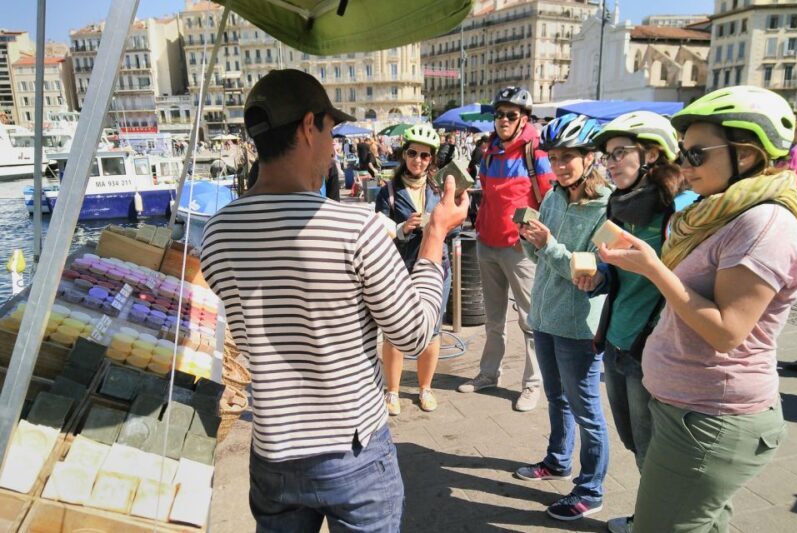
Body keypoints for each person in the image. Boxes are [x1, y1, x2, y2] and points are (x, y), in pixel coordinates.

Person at [200, 69, 468, 532]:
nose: (332, 145)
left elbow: (247, 332)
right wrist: (436, 235)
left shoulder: (217, 232)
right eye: (330, 129)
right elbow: (414, 333)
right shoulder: (354, 229)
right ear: (309, 126)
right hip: (353, 451)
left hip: (273, 455)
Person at [599, 85, 797, 532]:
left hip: (712, 414)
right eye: (683, 153)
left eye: (695, 155)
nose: (683, 165)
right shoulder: (720, 211)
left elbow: (728, 331)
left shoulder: (763, 222)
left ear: (745, 155)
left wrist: (654, 268)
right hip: (690, 404)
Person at [577, 111, 694, 533]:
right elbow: (617, 274)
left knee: (653, 449)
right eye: (606, 155)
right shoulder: (618, 204)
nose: (609, 163)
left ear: (652, 154)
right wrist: (596, 277)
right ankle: (652, 516)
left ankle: (656, 522)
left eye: (618, 153)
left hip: (654, 350)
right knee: (633, 442)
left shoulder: (681, 211)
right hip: (616, 341)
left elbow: (690, 286)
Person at [515, 113, 610, 521]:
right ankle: (557, 461)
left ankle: (592, 489)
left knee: (586, 409)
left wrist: (549, 244)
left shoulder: (607, 206)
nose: (559, 166)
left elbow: (586, 275)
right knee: (556, 399)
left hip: (578, 327)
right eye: (554, 158)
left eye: (568, 157)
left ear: (590, 157)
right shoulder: (553, 196)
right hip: (545, 317)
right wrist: (529, 240)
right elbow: (539, 258)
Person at [457, 87, 554, 413]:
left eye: (511, 115)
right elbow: (485, 192)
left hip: (520, 250)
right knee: (493, 318)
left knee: (530, 320)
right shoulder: (490, 152)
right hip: (488, 244)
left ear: (523, 118)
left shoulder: (535, 153)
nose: (503, 120)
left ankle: (532, 385)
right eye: (499, 115)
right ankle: (489, 373)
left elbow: (550, 199)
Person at [375, 125, 455, 415]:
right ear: (403, 154)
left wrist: (444, 226)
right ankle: (392, 391)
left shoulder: (440, 190)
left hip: (437, 269)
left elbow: (454, 227)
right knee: (394, 331)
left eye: (424, 155)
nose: (418, 160)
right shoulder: (389, 192)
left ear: (431, 159)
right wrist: (401, 228)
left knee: (432, 331)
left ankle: (425, 388)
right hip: (400, 269)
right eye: (412, 153)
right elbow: (377, 228)